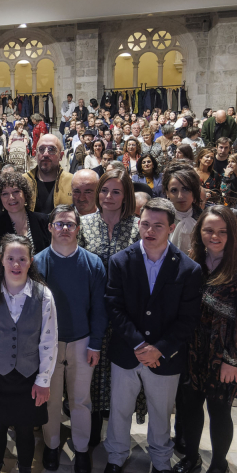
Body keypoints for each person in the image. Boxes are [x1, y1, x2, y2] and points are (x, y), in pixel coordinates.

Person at [101, 198, 203, 473]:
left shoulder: (188, 269)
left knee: (161, 411)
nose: (149, 230)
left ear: (172, 227)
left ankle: (161, 459)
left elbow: (187, 318)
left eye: (158, 225)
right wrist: (138, 344)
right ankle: (116, 456)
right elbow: (114, 306)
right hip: (127, 351)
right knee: (120, 408)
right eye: (145, 223)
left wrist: (160, 348)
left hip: (165, 356)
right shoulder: (121, 261)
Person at [172, 206, 237, 473]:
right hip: (190, 348)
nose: (216, 236)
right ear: (199, 232)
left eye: (223, 231)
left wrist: (233, 360)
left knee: (219, 411)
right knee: (188, 407)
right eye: (209, 230)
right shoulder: (191, 262)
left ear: (233, 234)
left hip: (222, 354)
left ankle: (219, 464)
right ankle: (190, 456)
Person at [0, 235, 58, 473]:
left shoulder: (44, 296)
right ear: (1, 260)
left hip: (28, 375)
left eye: (22, 259)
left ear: (30, 262)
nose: (16, 264)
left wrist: (43, 380)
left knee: (25, 428)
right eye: (10, 258)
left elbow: (49, 340)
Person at [33, 205, 107, 473]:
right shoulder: (38, 262)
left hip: (81, 340)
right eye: (59, 224)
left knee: (80, 400)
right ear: (50, 227)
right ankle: (52, 445)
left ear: (78, 228)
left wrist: (95, 343)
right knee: (50, 399)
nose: (65, 229)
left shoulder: (92, 263)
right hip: (48, 343)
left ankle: (82, 448)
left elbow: (99, 307)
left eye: (70, 224)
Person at [80, 165, 142, 445]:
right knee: (90, 378)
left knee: (121, 382)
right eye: (103, 190)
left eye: (116, 191)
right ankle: (91, 434)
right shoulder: (83, 224)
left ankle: (118, 439)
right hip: (91, 315)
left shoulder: (137, 227)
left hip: (125, 317)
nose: (108, 196)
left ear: (126, 194)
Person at [0, 171, 50, 260]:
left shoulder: (43, 220)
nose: (11, 197)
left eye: (16, 191)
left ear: (25, 194)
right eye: (5, 194)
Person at [25, 134, 73, 214]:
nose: (46, 154)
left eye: (51, 149)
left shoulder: (72, 182)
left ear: (61, 156)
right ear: (36, 154)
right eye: (41, 149)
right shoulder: (24, 181)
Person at [163, 166, 203, 249]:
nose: (180, 196)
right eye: (174, 190)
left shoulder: (204, 219)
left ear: (194, 191)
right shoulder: (160, 219)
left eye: (186, 189)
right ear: (167, 193)